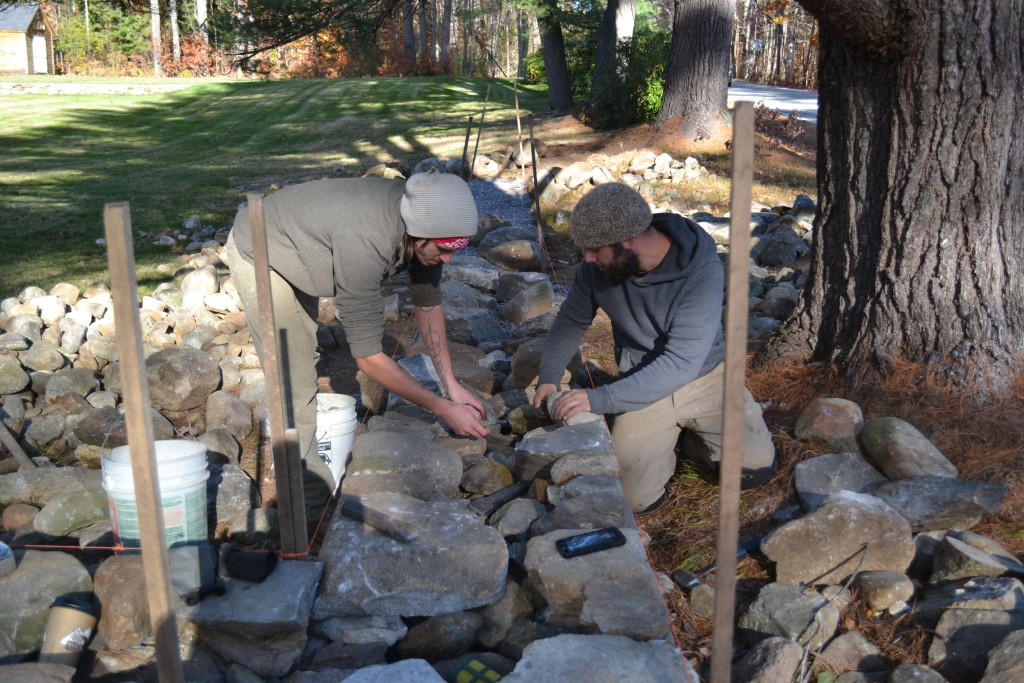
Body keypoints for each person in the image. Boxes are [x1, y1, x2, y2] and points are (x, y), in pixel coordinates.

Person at [223, 171, 488, 519]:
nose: (449, 260)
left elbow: (428, 304)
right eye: (442, 249)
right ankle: (310, 509)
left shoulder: (426, 226)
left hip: (307, 241)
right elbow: (368, 358)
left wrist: (451, 385)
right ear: (416, 233)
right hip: (262, 248)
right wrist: (442, 408)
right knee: (293, 373)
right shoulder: (367, 241)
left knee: (302, 360)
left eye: (456, 249)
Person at [533, 183, 775, 514]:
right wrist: (549, 376)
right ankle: (667, 435)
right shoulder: (597, 268)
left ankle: (690, 438)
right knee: (635, 501)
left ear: (629, 240)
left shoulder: (700, 269)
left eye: (594, 249)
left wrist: (598, 399)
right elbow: (571, 322)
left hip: (706, 378)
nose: (586, 258)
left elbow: (681, 362)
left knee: (755, 469)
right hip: (642, 380)